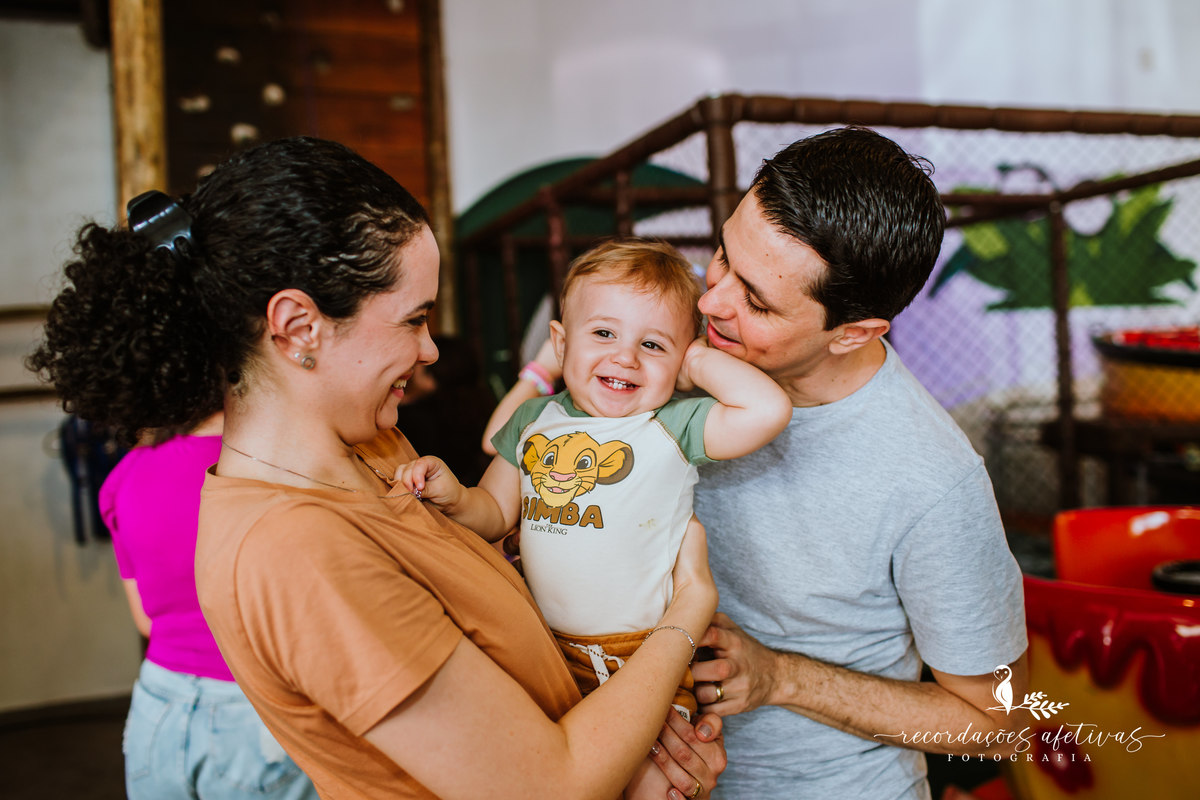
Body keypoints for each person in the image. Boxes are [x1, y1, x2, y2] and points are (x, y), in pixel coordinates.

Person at [28, 137, 726, 800]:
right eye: (413, 319)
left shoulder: (372, 444)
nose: (429, 351)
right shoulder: (294, 551)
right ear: (300, 328)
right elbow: (551, 785)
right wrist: (684, 618)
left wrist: (642, 734)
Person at [684, 126, 1030, 799]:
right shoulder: (687, 354)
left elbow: (998, 720)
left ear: (854, 332)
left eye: (756, 301)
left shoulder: (931, 477)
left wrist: (781, 677)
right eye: (722, 257)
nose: (711, 301)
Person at [398, 238, 791, 721]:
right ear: (562, 345)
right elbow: (496, 513)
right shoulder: (533, 418)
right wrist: (456, 497)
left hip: (641, 652)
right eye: (604, 333)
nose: (626, 357)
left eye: (652, 344)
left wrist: (694, 360)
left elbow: (768, 410)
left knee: (653, 775)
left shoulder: (672, 424)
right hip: (537, 645)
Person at [99, 412, 319, 800]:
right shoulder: (287, 468)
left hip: (158, 709)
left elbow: (147, 621)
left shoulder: (126, 473)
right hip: (257, 703)